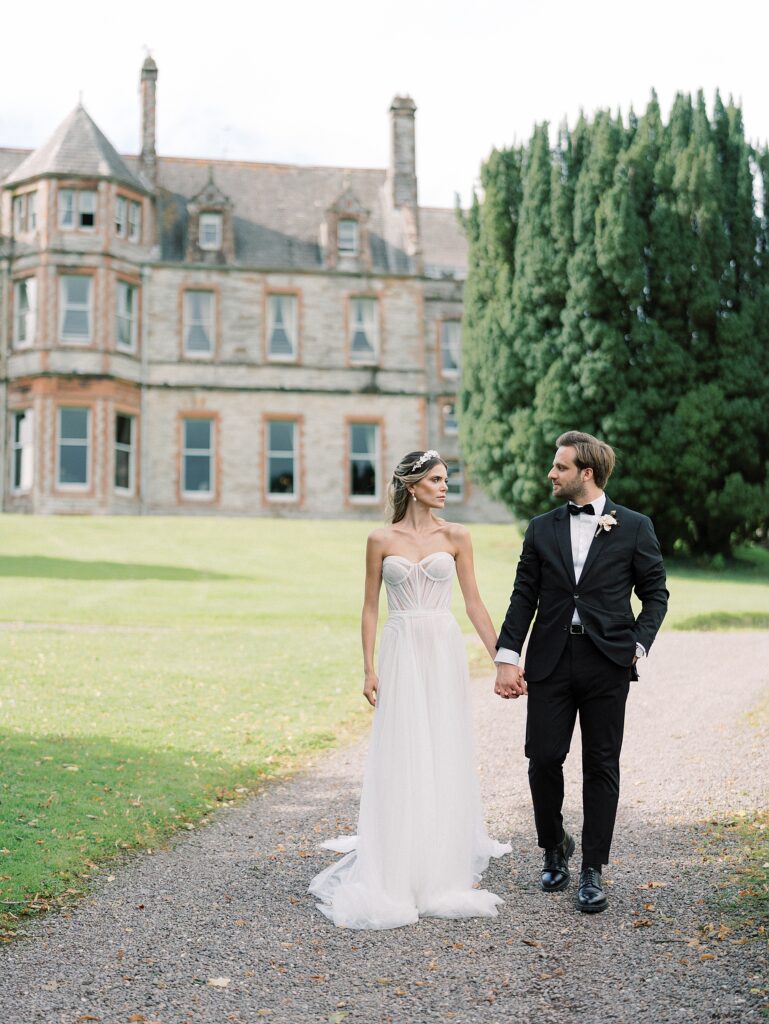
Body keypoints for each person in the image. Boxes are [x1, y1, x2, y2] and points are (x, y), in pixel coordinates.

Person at [309, 450, 511, 929]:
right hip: (400, 648)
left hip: (441, 647)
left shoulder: (457, 536)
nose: (445, 487)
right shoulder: (380, 539)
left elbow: (475, 604)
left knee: (442, 745)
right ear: (413, 484)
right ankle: (398, 864)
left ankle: (439, 864)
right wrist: (367, 667)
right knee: (404, 749)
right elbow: (369, 608)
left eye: (446, 479)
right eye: (437, 479)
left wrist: (503, 658)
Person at [494, 431, 668, 913]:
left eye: (560, 467)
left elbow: (656, 593)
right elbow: (523, 596)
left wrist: (638, 645)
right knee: (543, 758)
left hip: (608, 661)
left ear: (585, 473)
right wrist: (508, 654)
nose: (551, 473)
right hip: (550, 659)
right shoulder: (541, 528)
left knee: (601, 764)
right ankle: (554, 846)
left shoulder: (634, 526)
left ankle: (592, 869)